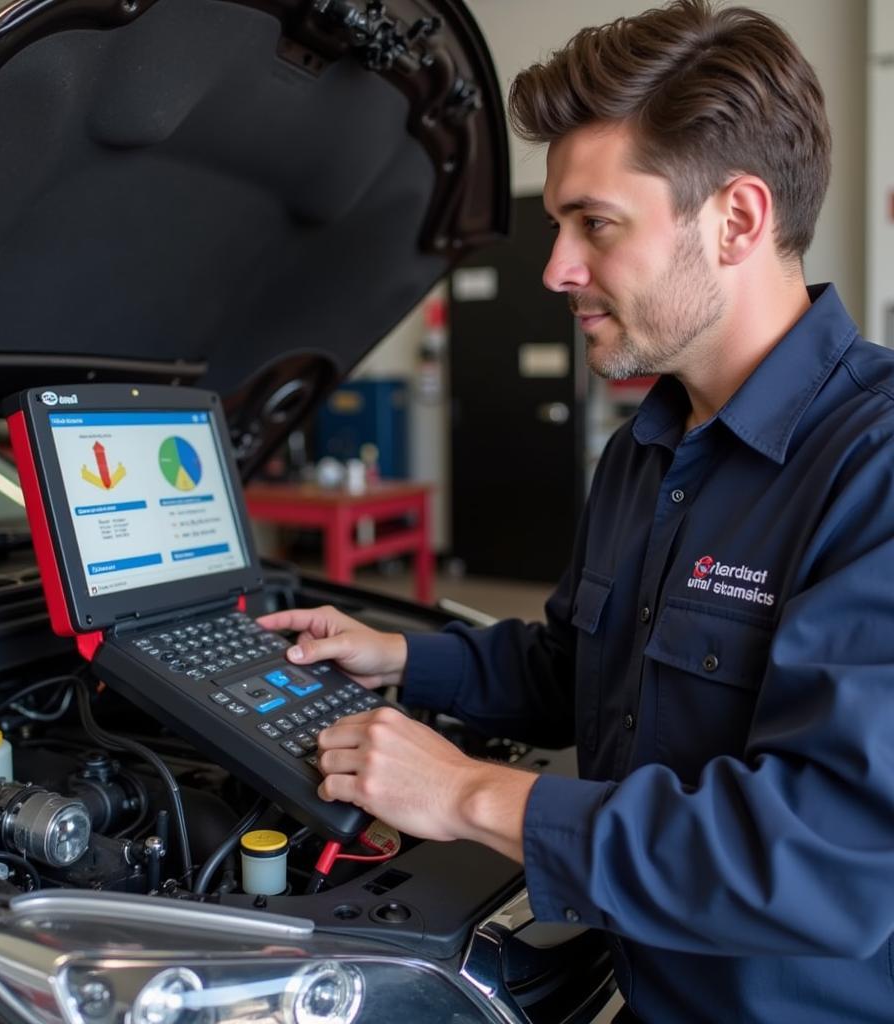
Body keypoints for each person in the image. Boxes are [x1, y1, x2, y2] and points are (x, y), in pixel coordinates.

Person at [260, 2, 894, 1020]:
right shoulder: (646, 451)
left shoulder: (873, 468)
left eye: (592, 223)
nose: (555, 267)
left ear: (736, 219)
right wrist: (398, 657)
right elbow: (579, 671)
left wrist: (467, 792)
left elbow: (824, 858)